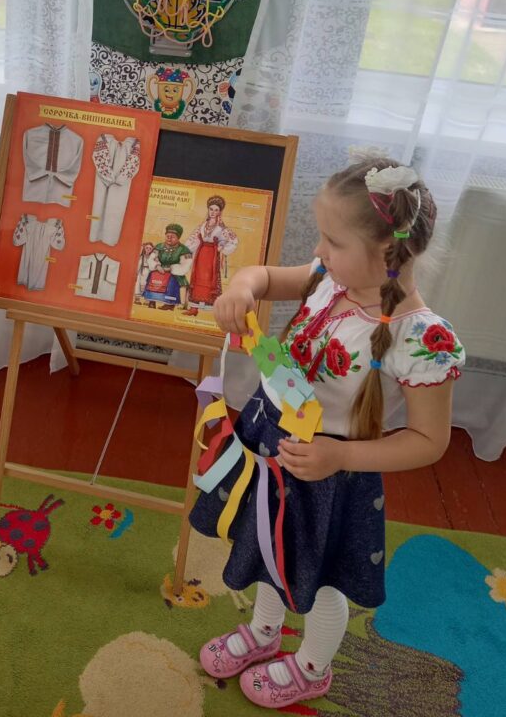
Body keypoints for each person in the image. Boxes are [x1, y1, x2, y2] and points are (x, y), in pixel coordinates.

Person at [189, 157, 465, 709]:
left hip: (330, 473)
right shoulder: (329, 277)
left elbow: (429, 440)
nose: (318, 250)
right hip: (272, 445)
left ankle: (313, 666)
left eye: (332, 241)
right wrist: (242, 285)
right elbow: (267, 278)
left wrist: (339, 458)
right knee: (266, 546)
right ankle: (265, 632)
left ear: (387, 253)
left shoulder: (422, 339)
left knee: (322, 579)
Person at [184, 194, 238, 314]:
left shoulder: (222, 228)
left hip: (212, 256)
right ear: (208, 210)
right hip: (201, 254)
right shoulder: (203, 225)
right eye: (211, 209)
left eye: (216, 210)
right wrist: (186, 250)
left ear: (220, 212)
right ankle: (194, 308)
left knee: (209, 278)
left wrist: (221, 247)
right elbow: (194, 238)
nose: (213, 212)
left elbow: (232, 240)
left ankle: (210, 307)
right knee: (197, 277)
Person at [141, 223, 192, 309]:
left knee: (174, 281)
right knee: (153, 276)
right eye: (168, 236)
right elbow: (152, 258)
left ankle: (170, 304)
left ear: (178, 238)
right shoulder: (159, 246)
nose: (169, 238)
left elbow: (186, 264)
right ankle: (152, 300)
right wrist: (157, 266)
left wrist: (171, 268)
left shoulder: (184, 250)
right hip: (159, 269)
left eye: (173, 237)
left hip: (175, 272)